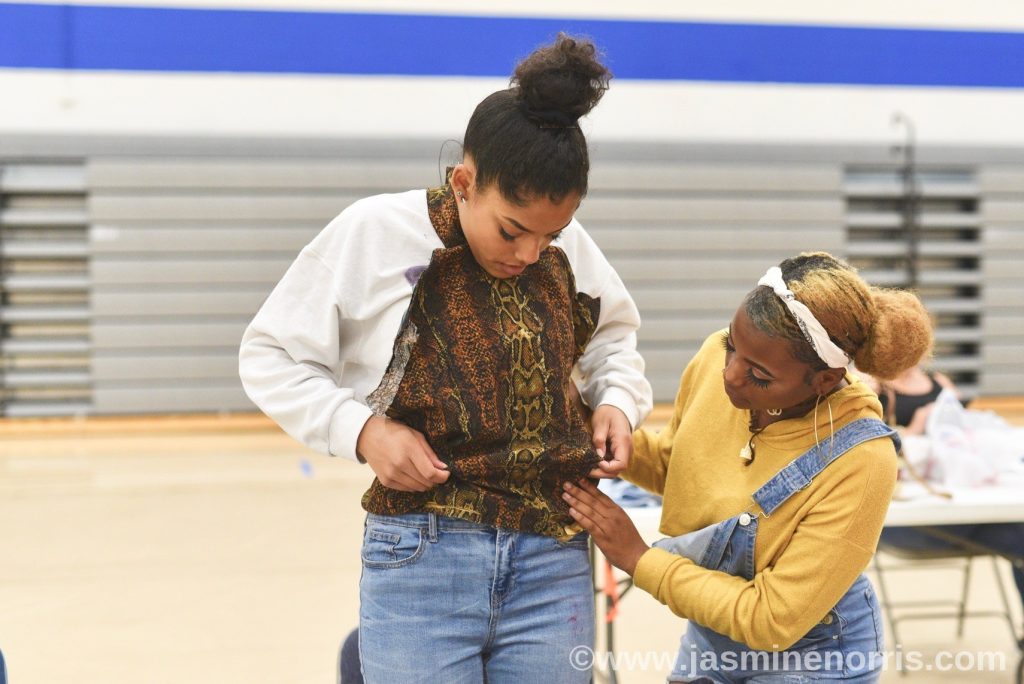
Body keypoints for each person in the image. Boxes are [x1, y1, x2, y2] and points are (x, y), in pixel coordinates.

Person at [238, 34, 652, 683]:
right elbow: (270, 355)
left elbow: (613, 340)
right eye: (513, 230)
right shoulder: (372, 233)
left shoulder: (563, 250)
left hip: (554, 558)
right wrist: (364, 431)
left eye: (553, 235)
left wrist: (618, 405)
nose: (529, 253)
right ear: (463, 183)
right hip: (424, 552)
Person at [562, 252, 934, 682]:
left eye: (758, 375)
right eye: (731, 348)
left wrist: (639, 558)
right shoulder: (714, 358)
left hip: (814, 652)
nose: (730, 377)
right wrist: (595, 421)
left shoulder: (861, 458)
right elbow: (680, 469)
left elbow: (772, 619)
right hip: (716, 634)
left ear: (824, 381)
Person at [862, 366, 1024, 632]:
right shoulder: (871, 386)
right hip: (909, 519)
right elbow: (867, 453)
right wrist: (917, 428)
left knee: (1021, 533)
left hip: (961, 505)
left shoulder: (938, 381)